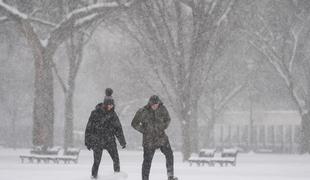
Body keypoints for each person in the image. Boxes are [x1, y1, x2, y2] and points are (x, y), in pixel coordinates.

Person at [131, 95, 178, 180]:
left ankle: (170, 176)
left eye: (156, 104)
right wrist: (144, 130)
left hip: (161, 138)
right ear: (150, 103)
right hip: (149, 140)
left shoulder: (162, 109)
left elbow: (168, 119)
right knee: (147, 161)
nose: (155, 106)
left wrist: (162, 127)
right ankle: (145, 178)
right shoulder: (142, 111)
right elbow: (134, 123)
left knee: (169, 155)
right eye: (153, 104)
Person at [85, 88, 126, 179]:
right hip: (97, 141)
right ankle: (93, 177)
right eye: (109, 105)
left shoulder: (113, 114)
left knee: (116, 159)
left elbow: (118, 129)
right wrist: (88, 141)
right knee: (96, 161)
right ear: (105, 104)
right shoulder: (95, 113)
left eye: (112, 105)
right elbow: (89, 128)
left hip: (109, 140)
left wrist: (122, 141)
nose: (111, 106)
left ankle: (117, 176)